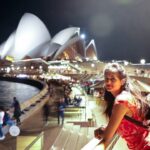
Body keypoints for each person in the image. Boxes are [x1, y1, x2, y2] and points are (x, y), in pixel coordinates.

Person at [94, 63, 150, 150]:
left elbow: (106, 139)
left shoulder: (121, 101)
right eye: (106, 79)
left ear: (122, 81)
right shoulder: (126, 96)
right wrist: (107, 128)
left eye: (113, 79)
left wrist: (105, 133)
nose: (108, 82)